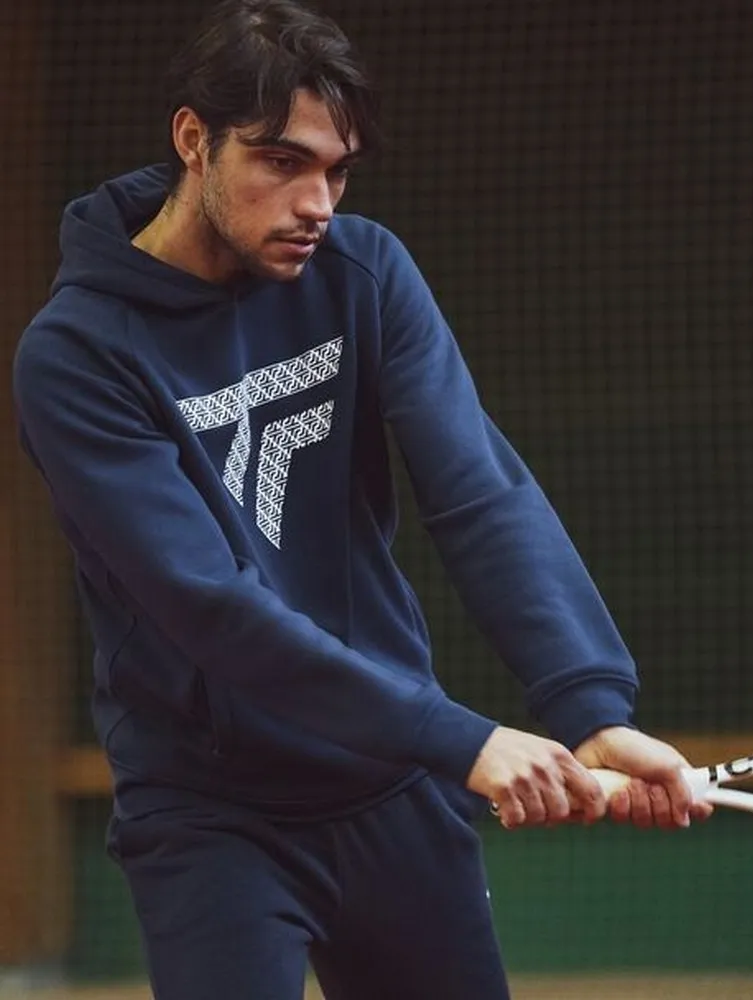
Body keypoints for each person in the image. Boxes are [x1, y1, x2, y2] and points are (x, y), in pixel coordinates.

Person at [13, 1, 711, 997]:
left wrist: (588, 704)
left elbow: (479, 494)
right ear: (193, 140)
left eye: (336, 171)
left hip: (390, 788)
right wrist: (465, 740)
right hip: (210, 812)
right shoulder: (76, 355)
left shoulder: (365, 272)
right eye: (281, 161)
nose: (317, 203)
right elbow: (209, 605)